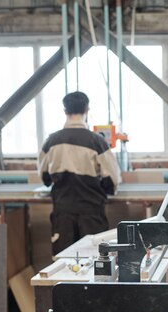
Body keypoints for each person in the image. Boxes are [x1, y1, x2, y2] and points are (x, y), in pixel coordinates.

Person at [38, 91, 121, 255]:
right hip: (91, 212)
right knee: (96, 261)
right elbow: (112, 180)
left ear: (65, 111)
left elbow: (44, 177)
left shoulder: (51, 141)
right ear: (87, 110)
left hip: (63, 212)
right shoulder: (97, 141)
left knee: (64, 260)